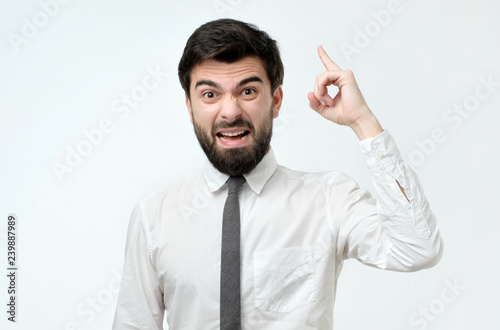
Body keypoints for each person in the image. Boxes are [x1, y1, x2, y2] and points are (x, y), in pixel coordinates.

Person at [112, 18, 443, 329]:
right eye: (210, 94)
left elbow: (417, 248)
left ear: (276, 100)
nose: (230, 112)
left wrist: (363, 122)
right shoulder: (153, 217)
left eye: (248, 91)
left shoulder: (329, 199)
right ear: (189, 106)